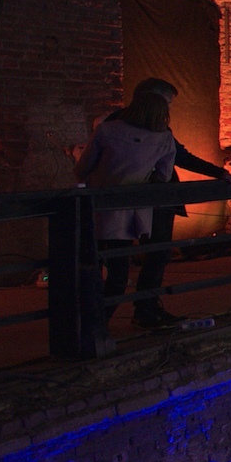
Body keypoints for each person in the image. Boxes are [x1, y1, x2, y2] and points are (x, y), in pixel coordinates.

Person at [106, 78, 231, 328]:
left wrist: (218, 172)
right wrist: (218, 173)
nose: (169, 110)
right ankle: (119, 318)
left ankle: (134, 313)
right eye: (167, 103)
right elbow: (178, 159)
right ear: (151, 99)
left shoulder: (113, 125)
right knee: (127, 262)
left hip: (134, 201)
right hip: (141, 201)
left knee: (149, 257)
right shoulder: (126, 128)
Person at [77, 90, 176, 321]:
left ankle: (93, 326)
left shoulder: (106, 131)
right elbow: (163, 175)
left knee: (111, 270)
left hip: (101, 207)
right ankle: (133, 314)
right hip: (138, 210)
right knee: (140, 263)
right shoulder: (164, 139)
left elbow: (82, 169)